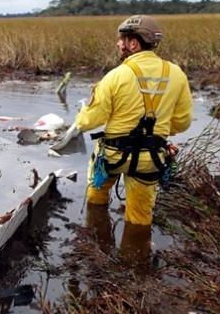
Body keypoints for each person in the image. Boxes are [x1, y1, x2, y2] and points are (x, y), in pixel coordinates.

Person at [75, 15, 193, 228]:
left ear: (133, 43)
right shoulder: (177, 74)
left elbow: (87, 123)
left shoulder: (114, 76)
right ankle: (136, 256)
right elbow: (183, 123)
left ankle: (95, 236)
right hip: (151, 159)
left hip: (112, 156)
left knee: (95, 196)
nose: (118, 44)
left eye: (122, 39)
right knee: (140, 218)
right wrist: (159, 130)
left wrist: (84, 110)